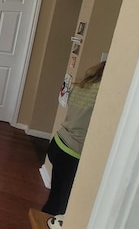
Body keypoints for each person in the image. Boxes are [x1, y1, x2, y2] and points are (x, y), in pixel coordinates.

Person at [42, 61, 106, 217]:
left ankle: (43, 220)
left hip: (58, 143)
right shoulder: (104, 95)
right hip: (73, 153)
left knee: (56, 196)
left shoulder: (81, 86)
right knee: (65, 206)